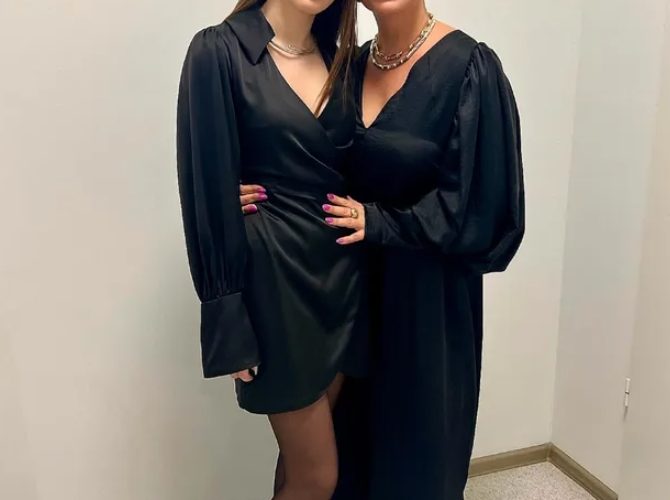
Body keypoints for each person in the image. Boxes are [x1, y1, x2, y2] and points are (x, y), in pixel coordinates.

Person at [241, 0, 525, 498]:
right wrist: (232, 192)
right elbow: (299, 158)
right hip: (339, 301)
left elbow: (486, 208)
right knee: (332, 466)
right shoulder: (343, 67)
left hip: (425, 309)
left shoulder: (468, 67)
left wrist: (381, 223)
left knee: (412, 464)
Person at [176, 1, 366, 499]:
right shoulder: (218, 51)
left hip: (341, 281)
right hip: (275, 286)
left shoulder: (341, 59)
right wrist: (226, 314)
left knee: (299, 465)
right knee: (318, 477)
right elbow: (203, 188)